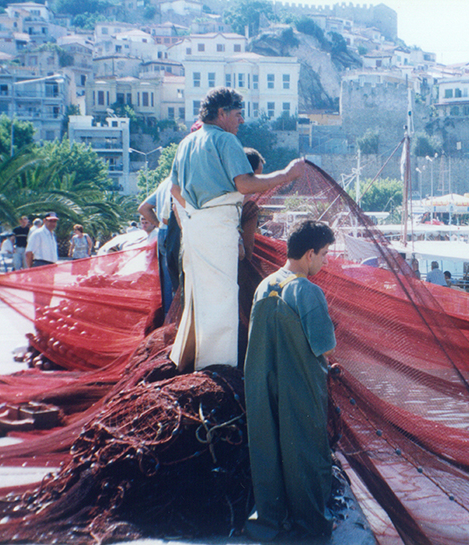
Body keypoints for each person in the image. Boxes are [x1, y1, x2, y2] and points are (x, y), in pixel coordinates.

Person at [168, 87, 305, 372]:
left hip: (194, 226)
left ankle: (188, 359)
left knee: (197, 295)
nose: (241, 121)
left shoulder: (186, 143)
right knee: (222, 296)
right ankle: (217, 367)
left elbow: (175, 190)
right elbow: (245, 184)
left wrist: (194, 214)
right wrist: (286, 174)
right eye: (238, 114)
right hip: (218, 224)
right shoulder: (226, 141)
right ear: (222, 114)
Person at [244, 220, 336, 542]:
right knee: (305, 452)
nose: (324, 262)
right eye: (324, 255)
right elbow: (323, 345)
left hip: (260, 384)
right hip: (299, 386)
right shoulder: (308, 291)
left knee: (266, 448)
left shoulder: (263, 286)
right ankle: (310, 526)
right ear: (309, 254)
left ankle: (270, 520)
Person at [139, 175, 180, 315]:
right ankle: (176, 320)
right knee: (179, 281)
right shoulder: (181, 179)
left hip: (163, 232)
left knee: (167, 283)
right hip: (175, 231)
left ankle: (167, 319)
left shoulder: (164, 183)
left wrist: (159, 225)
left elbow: (144, 208)